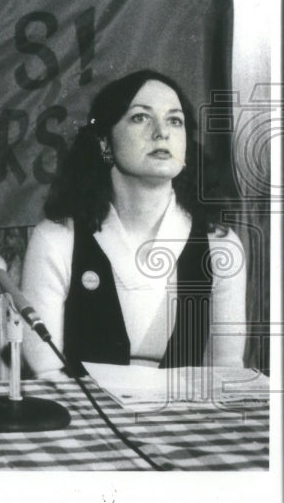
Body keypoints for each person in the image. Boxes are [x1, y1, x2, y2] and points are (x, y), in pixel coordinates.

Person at [20, 70, 246, 377]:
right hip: (86, 421)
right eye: (140, 118)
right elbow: (46, 373)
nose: (161, 132)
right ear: (104, 144)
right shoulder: (56, 239)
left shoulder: (222, 246)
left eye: (175, 120)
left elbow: (226, 372)